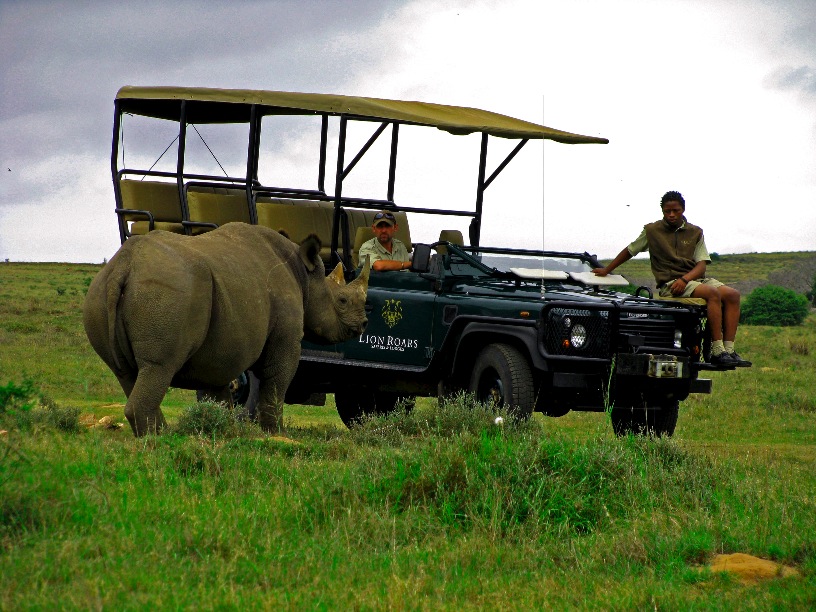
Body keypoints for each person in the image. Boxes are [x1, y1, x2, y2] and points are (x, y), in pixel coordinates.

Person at [593, 191, 750, 367]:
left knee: (733, 295)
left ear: (683, 209)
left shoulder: (695, 232)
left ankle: (729, 349)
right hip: (670, 283)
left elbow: (702, 265)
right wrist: (607, 269)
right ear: (662, 211)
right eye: (667, 211)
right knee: (712, 293)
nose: (671, 215)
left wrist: (685, 279)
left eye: (675, 210)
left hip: (691, 279)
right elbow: (630, 250)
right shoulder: (652, 231)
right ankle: (717, 350)